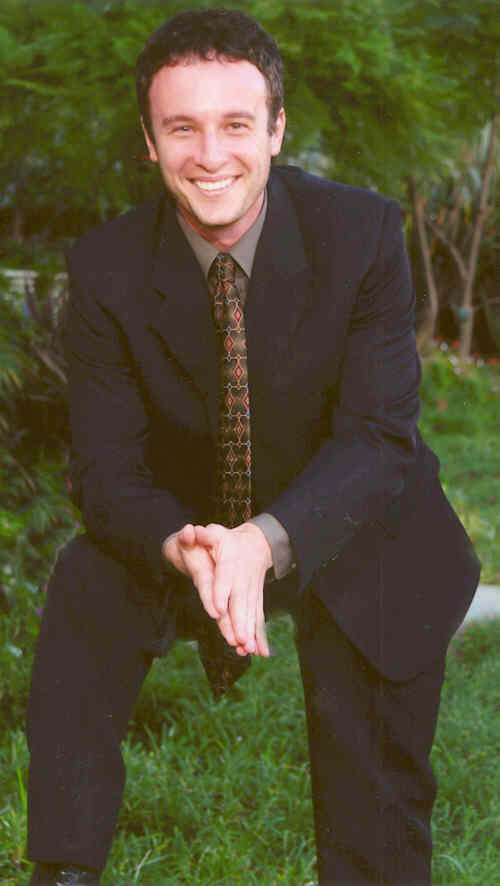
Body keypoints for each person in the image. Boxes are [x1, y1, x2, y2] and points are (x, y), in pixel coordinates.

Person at [26, 8, 480, 886]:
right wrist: (184, 544)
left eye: (236, 124)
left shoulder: (362, 235)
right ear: (149, 142)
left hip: (354, 515)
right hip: (195, 524)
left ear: (276, 130)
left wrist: (265, 542)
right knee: (87, 583)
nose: (211, 155)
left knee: (376, 816)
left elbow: (378, 437)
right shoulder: (105, 268)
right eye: (181, 128)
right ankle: (64, 869)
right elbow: (106, 471)